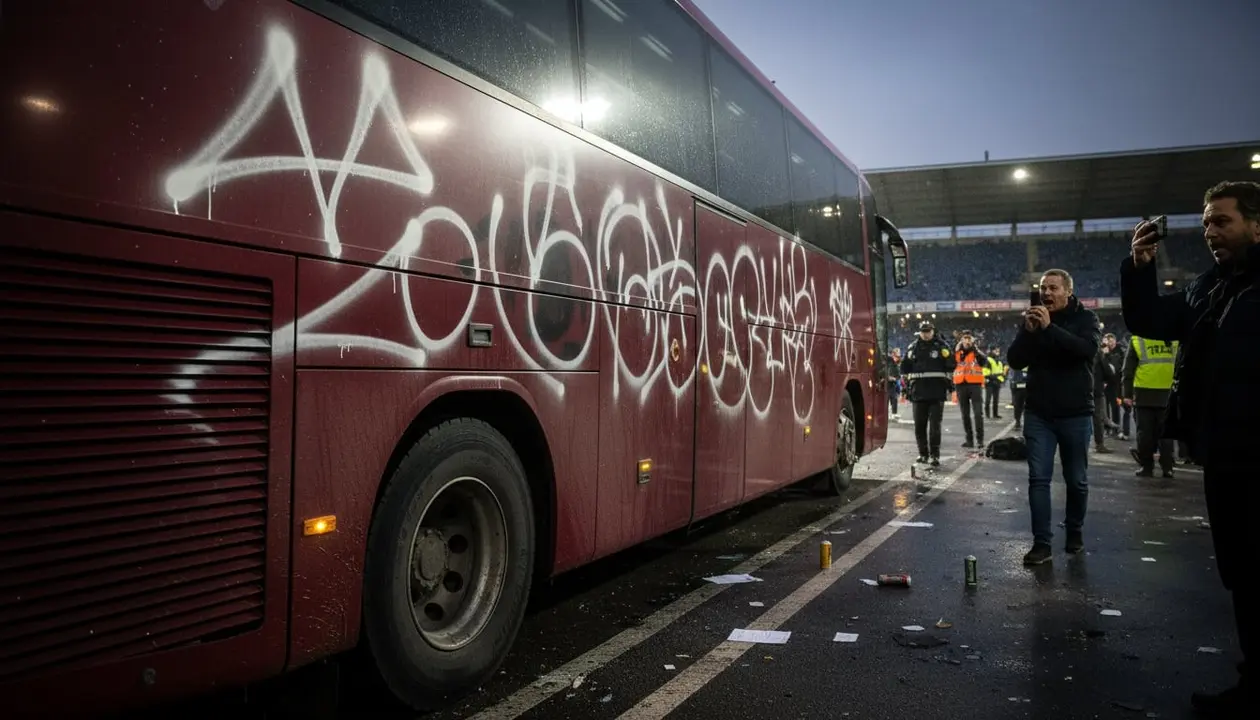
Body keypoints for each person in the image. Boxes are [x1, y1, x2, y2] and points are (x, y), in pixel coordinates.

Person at [1120, 180, 1260, 715]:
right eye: (1205, 223)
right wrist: (1140, 266)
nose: (1210, 232)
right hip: (1224, 452)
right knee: (1241, 571)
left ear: (1256, 225)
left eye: (1222, 221)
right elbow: (1151, 319)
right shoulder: (1210, 286)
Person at [1006, 269, 1101, 566]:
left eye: (1053, 288)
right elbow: (1015, 360)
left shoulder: (1086, 319)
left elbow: (1085, 350)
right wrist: (1028, 331)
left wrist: (1050, 329)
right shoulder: (1034, 320)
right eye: (1043, 288)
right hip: (1039, 413)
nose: (1046, 293)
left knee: (1076, 480)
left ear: (1068, 292)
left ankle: (1074, 530)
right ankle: (1042, 543)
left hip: (1075, 413)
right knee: (1038, 479)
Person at [1121, 334, 1177, 478]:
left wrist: (1127, 394)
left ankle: (1147, 467)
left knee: (1144, 434)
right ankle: (1168, 468)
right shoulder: (1175, 338)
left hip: (1144, 393)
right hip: (1168, 393)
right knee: (1165, 434)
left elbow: (1128, 369)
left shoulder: (1138, 339)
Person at [900, 321, 955, 467]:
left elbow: (952, 364)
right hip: (918, 392)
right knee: (919, 426)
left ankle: (934, 455)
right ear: (920, 332)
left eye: (928, 331)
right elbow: (904, 368)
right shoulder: (913, 347)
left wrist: (947, 357)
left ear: (933, 331)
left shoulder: (942, 346)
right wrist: (905, 388)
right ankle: (923, 454)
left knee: (935, 426)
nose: (926, 334)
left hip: (937, 391)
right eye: (923, 331)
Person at [952, 331, 987, 449]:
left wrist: (975, 350)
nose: (967, 341)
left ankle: (980, 440)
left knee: (978, 414)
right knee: (965, 414)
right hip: (960, 385)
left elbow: (983, 362)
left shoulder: (977, 352)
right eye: (964, 338)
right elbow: (951, 364)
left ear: (972, 340)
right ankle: (969, 440)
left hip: (975, 384)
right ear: (961, 340)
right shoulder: (957, 352)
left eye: (969, 338)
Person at [1091, 342, 1115, 453]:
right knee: (1098, 417)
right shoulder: (1100, 354)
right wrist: (1105, 355)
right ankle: (1099, 444)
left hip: (1085, 388)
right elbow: (1108, 372)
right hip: (1097, 390)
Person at [983, 347, 1006, 420]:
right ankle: (987, 415)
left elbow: (1002, 372)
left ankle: (995, 414)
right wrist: (996, 377)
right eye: (996, 351)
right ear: (992, 351)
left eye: (998, 351)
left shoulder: (999, 361)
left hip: (997, 382)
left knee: (996, 400)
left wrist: (1002, 379)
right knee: (988, 399)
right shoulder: (988, 360)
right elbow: (985, 373)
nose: (997, 352)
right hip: (990, 382)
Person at [1009, 365, 1028, 430]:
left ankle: (1025, 423)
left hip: (1028, 387)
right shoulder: (1017, 364)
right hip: (1018, 387)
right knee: (1017, 406)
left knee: (1028, 407)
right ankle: (1017, 421)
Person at [887, 348, 903, 421]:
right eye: (897, 353)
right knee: (886, 399)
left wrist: (894, 378)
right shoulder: (889, 360)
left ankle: (894, 414)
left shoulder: (897, 363)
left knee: (894, 399)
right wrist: (887, 377)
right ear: (893, 354)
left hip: (892, 384)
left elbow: (898, 376)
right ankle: (885, 414)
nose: (898, 357)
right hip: (885, 383)